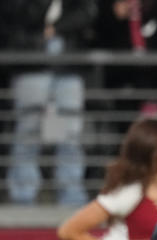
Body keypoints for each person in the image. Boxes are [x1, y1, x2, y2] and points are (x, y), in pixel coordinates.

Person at [0, 0, 95, 206]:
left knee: (68, 134)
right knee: (28, 132)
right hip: (31, 64)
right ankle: (23, 196)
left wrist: (56, 28)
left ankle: (70, 195)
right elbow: (18, 15)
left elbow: (87, 12)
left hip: (66, 67)